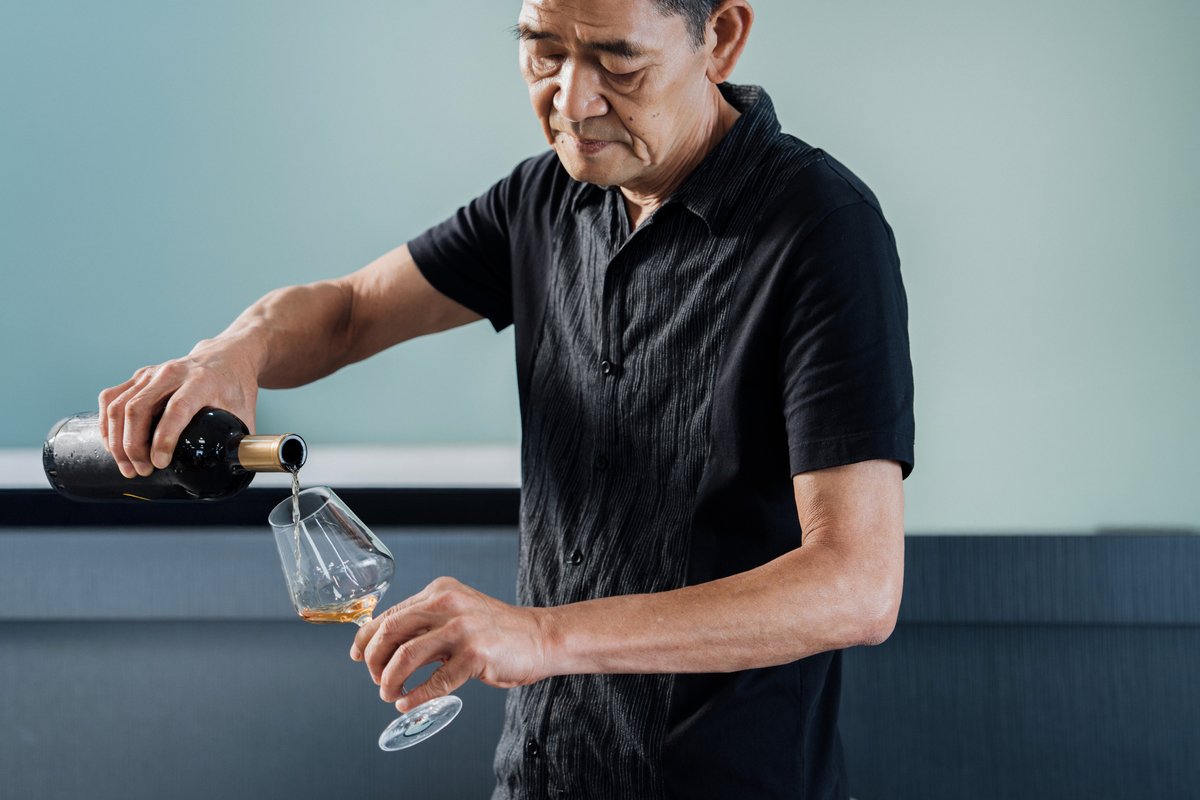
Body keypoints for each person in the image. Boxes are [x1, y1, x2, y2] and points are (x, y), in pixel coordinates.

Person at [98, 0, 914, 797]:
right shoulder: (543, 200)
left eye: (616, 59)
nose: (570, 100)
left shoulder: (823, 227)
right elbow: (348, 311)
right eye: (543, 51)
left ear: (722, 37)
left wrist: (541, 634)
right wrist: (233, 355)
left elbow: (856, 584)